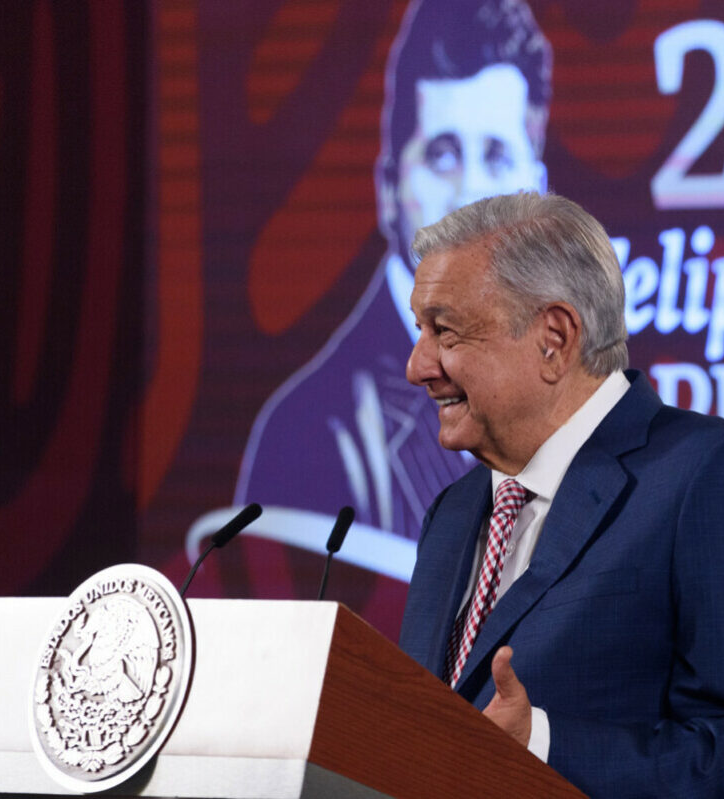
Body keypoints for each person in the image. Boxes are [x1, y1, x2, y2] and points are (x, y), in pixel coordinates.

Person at [399, 192, 724, 797]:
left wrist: (542, 745)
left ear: (554, 338)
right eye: (420, 330)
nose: (418, 366)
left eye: (444, 331)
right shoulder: (455, 511)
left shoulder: (715, 477)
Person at [230, 0, 551, 599]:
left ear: (539, 194)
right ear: (387, 190)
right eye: (443, 154)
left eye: (496, 156)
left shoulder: (572, 407)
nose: (470, 194)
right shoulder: (313, 433)